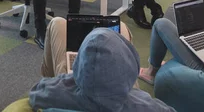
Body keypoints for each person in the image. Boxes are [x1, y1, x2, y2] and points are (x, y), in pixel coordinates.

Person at [29, 21, 175, 112]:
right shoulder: (145, 105)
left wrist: (69, 79)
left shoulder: (51, 92)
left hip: (76, 92)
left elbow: (36, 92)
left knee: (57, 23)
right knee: (122, 27)